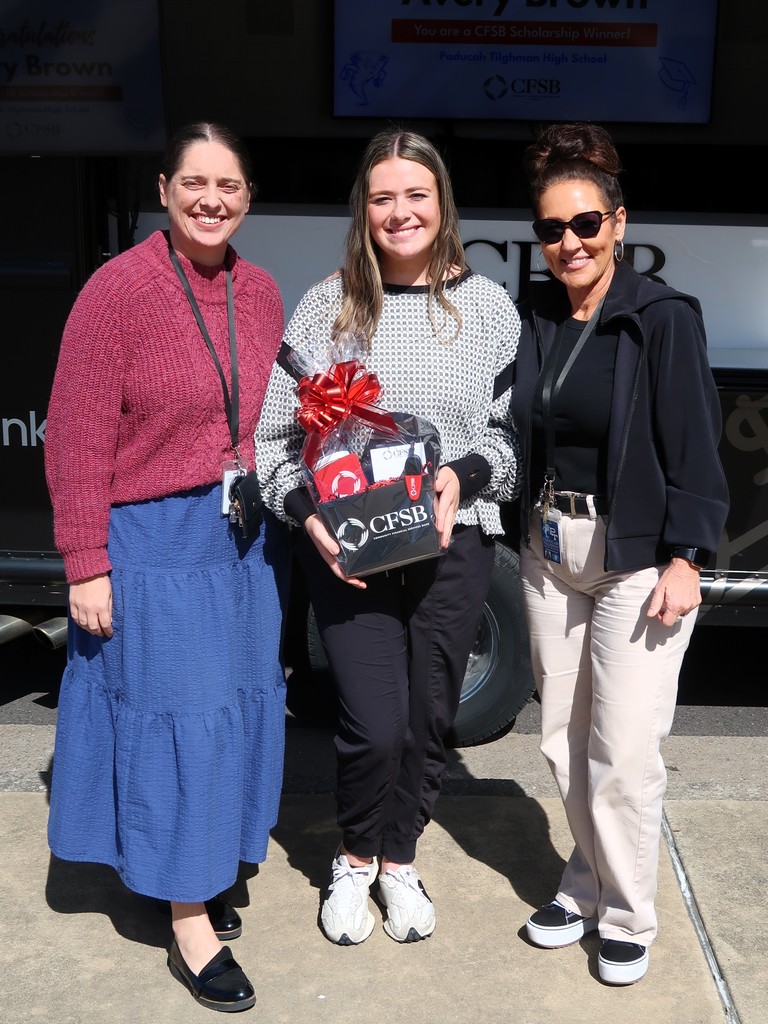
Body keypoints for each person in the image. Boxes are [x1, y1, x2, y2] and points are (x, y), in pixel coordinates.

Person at [44, 122, 288, 1012]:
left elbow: (270, 419)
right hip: (152, 543)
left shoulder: (258, 292)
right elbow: (73, 434)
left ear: (249, 196)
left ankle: (201, 857)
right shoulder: (117, 291)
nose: (211, 200)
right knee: (180, 718)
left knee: (230, 711)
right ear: (163, 187)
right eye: (194, 183)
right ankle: (189, 917)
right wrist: (85, 562)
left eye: (228, 185)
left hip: (241, 541)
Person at [257, 129, 520, 945]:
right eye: (382, 197)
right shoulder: (325, 304)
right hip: (352, 551)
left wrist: (462, 478)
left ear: (441, 202)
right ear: (362, 209)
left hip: (451, 547)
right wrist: (307, 515)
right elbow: (271, 441)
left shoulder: (486, 308)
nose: (400, 212)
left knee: (429, 719)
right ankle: (353, 856)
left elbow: (507, 445)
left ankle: (400, 859)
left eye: (416, 194)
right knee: (372, 724)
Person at [511, 122, 729, 985]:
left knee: (625, 746)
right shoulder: (534, 319)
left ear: (619, 223)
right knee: (564, 742)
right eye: (552, 230)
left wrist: (689, 554)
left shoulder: (662, 319)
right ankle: (588, 880)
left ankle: (630, 910)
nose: (569, 243)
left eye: (586, 224)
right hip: (547, 549)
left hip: (635, 552)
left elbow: (696, 442)